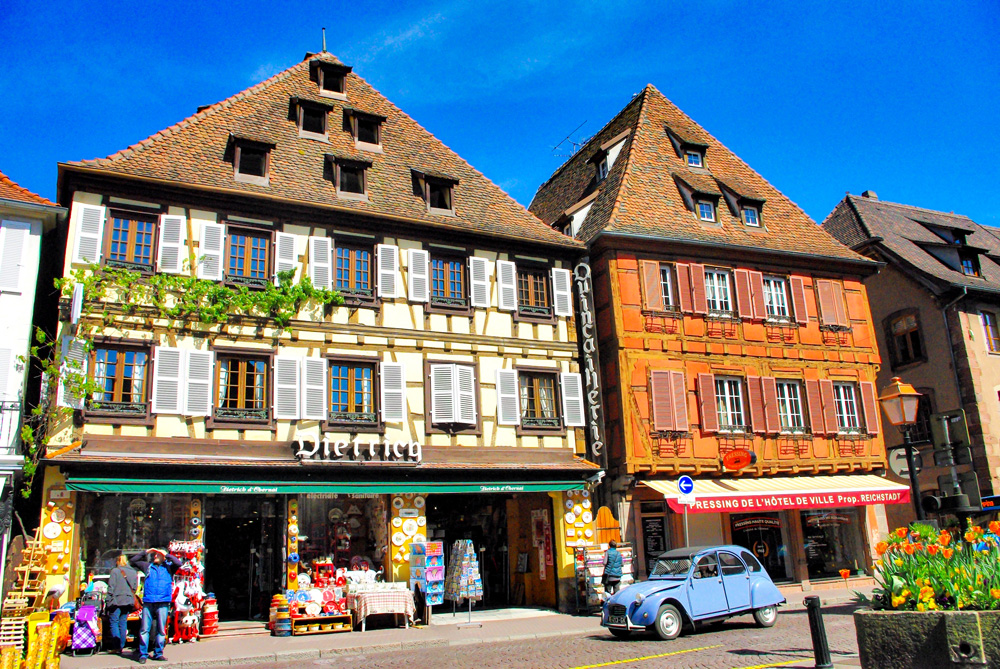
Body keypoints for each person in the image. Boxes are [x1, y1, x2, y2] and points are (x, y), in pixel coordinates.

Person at [130, 548, 182, 664]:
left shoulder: (169, 567)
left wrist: (166, 554)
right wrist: (146, 552)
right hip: (149, 601)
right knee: (144, 629)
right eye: (154, 555)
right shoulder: (147, 566)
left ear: (163, 556)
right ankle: (143, 654)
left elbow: (178, 563)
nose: (155, 557)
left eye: (157, 555)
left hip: (163, 601)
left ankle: (158, 653)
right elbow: (133, 561)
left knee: (161, 630)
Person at [105, 554, 138, 656]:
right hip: (128, 600)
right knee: (123, 622)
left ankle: (116, 646)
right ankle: (121, 646)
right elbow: (135, 588)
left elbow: (111, 587)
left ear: (118, 561)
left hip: (116, 600)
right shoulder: (133, 572)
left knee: (114, 622)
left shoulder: (115, 571)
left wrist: (108, 600)